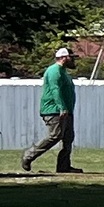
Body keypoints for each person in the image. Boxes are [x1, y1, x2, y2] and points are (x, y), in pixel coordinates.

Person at [22, 46, 79, 174]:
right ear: (64, 58)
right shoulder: (54, 71)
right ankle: (29, 155)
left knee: (68, 138)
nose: (73, 60)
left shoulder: (63, 72)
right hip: (54, 110)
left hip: (66, 111)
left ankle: (64, 167)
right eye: (71, 57)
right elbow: (55, 90)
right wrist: (61, 107)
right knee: (55, 136)